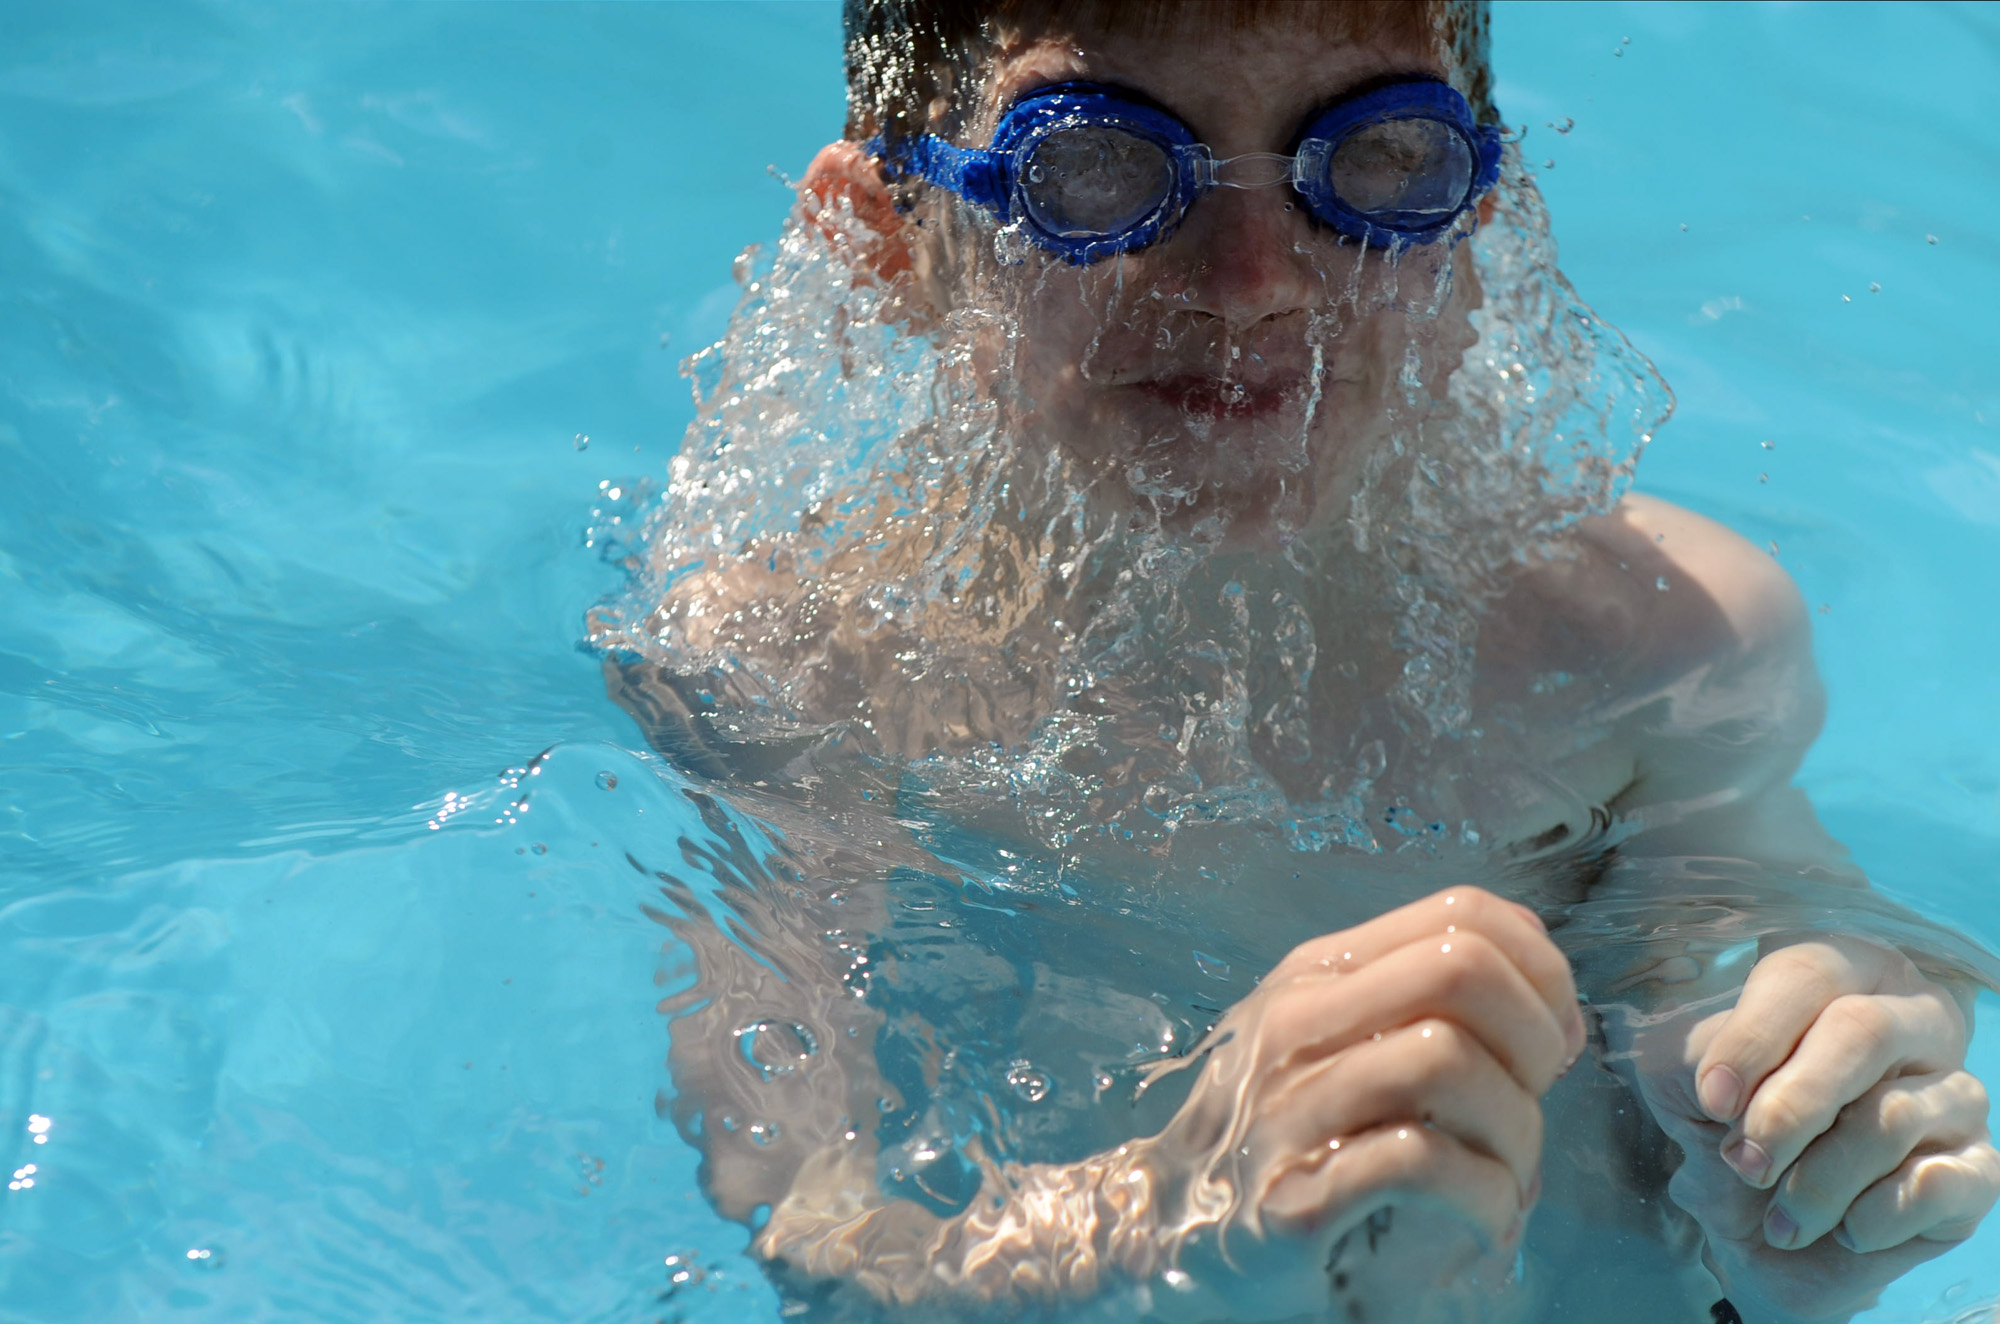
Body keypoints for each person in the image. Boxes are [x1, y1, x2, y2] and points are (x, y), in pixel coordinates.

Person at [600, 2, 2000, 1320]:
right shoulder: (796, 673)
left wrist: (1807, 1139)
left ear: (1471, 234)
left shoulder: (1653, 645)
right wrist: (1155, 1220)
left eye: (1377, 159)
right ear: (888, 242)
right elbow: (817, 1234)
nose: (1253, 279)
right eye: (1096, 165)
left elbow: (1776, 959)